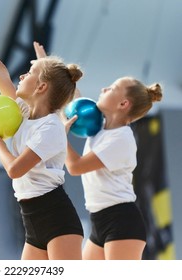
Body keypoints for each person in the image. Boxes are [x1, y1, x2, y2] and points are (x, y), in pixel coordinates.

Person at [0, 17, 84, 260]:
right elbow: (0, 76)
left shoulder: (50, 128)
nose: (21, 76)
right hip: (32, 219)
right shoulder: (23, 114)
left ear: (41, 88)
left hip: (57, 219)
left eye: (28, 73)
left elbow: (15, 169)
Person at [64, 76, 163, 260]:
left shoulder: (121, 138)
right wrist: (50, 67)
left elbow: (75, 167)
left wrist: (61, 137)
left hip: (121, 221)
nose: (103, 88)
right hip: (99, 220)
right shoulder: (100, 127)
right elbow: (75, 103)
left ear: (123, 103)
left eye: (111, 88)